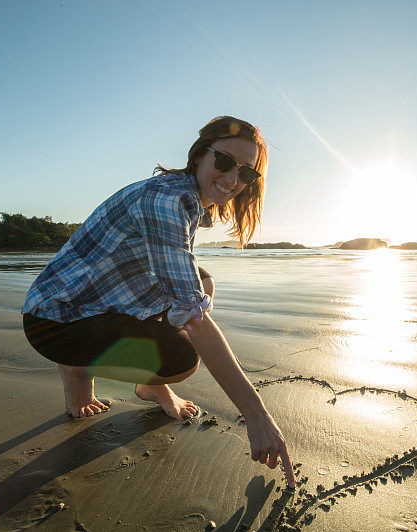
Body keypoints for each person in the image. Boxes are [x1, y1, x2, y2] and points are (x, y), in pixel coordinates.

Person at [21, 116, 294, 485]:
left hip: (79, 302)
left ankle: (100, 372)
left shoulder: (185, 198)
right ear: (199, 155)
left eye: (246, 174)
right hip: (53, 319)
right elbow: (194, 319)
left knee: (202, 280)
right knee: (181, 358)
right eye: (225, 162)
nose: (232, 180)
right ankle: (101, 373)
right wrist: (258, 416)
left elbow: (181, 283)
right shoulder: (166, 202)